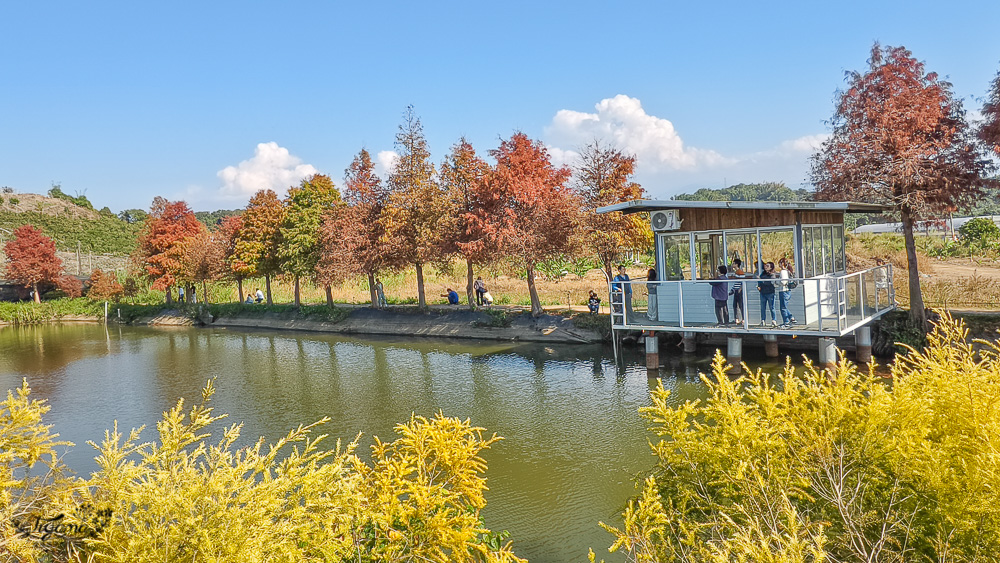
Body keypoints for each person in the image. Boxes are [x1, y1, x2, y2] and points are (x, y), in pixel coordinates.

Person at [777, 257, 796, 327]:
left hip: (783, 290)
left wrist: (776, 282)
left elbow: (783, 281)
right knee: (785, 306)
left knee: (783, 307)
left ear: (782, 264)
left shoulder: (783, 272)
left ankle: (786, 322)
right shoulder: (788, 271)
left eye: (779, 264)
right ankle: (791, 317)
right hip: (788, 290)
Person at [757, 262, 777, 326]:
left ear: (771, 267)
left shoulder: (772, 274)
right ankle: (763, 320)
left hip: (770, 293)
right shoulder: (763, 273)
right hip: (763, 292)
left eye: (767, 266)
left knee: (772, 307)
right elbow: (760, 281)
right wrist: (759, 286)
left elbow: (769, 282)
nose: (766, 267)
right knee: (763, 307)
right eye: (765, 266)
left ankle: (774, 320)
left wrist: (761, 280)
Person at [729, 257, 745, 324]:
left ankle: (743, 319)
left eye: (733, 263)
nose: (732, 265)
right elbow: (736, 283)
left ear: (736, 264)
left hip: (739, 291)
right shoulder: (736, 272)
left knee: (740, 305)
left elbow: (742, 282)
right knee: (735, 305)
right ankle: (737, 319)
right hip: (736, 290)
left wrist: (740, 289)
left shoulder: (740, 272)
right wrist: (732, 290)